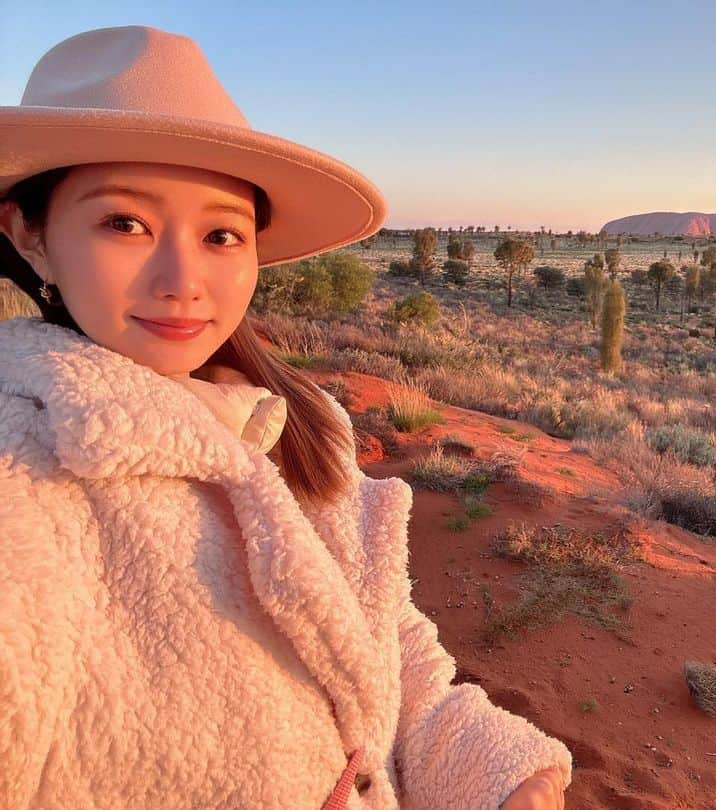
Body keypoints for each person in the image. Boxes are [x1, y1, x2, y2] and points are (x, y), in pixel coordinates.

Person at [0, 25, 570, 809]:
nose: (183, 280)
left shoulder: (296, 422)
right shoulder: (22, 478)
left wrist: (499, 776)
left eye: (221, 234)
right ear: (28, 234)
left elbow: (377, 638)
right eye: (125, 223)